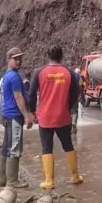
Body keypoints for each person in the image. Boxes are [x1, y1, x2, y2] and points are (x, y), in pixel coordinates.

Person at [28, 45, 83, 189]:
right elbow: (74, 94)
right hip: (63, 116)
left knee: (47, 147)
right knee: (68, 145)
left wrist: (33, 111)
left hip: (45, 117)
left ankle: (49, 180)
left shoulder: (39, 72)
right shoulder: (69, 73)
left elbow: (31, 93)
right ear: (61, 56)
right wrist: (68, 107)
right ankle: (75, 176)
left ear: (48, 56)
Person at [0, 47, 34, 188]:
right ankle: (12, 180)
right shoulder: (13, 77)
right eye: (15, 58)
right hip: (14, 116)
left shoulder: (7, 75)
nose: (19, 61)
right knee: (15, 146)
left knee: (6, 146)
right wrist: (27, 116)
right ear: (9, 59)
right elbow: (18, 97)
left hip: (7, 115)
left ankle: (2, 179)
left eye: (20, 58)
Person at [71, 67, 84, 134]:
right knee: (75, 111)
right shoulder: (79, 76)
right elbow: (80, 86)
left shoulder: (68, 75)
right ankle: (74, 123)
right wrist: (80, 96)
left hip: (68, 96)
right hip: (75, 96)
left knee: (69, 111)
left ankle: (69, 125)